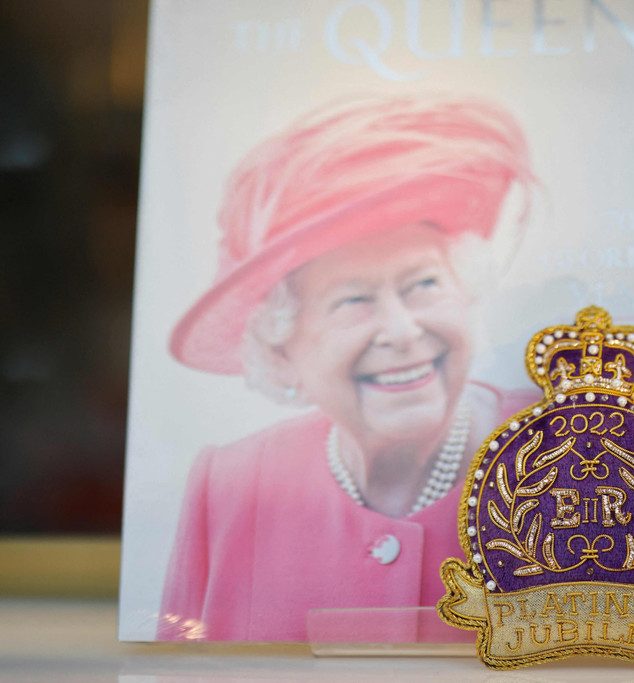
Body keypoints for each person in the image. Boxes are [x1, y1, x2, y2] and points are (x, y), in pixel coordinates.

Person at [157, 97, 535, 642]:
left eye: (423, 284)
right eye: (353, 300)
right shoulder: (229, 485)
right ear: (281, 350)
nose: (402, 330)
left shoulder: (574, 450)